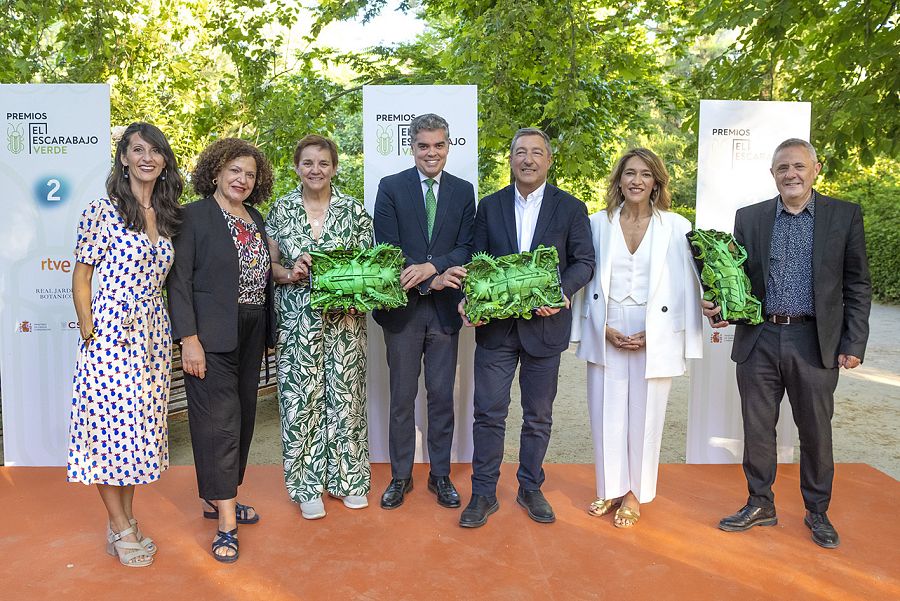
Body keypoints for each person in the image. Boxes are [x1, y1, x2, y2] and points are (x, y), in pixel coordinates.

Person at [705, 138, 871, 549]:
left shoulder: (844, 216)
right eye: (783, 168)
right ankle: (760, 503)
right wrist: (723, 306)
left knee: (815, 431)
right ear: (773, 174)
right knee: (758, 428)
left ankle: (818, 511)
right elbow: (738, 279)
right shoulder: (751, 217)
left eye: (799, 166)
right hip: (759, 336)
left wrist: (854, 340)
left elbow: (857, 284)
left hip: (815, 339)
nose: (791, 174)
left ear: (816, 169)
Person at [458, 127, 594, 528]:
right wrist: (471, 299)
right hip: (496, 331)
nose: (528, 159)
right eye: (520, 152)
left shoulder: (570, 208)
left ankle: (530, 487)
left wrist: (562, 292)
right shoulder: (491, 205)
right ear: (511, 159)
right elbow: (477, 261)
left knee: (538, 416)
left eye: (536, 152)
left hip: (546, 329)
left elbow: (584, 261)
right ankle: (483, 493)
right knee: (488, 414)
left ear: (549, 160)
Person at [68, 122, 183, 567]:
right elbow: (81, 275)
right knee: (107, 433)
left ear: (164, 160)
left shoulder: (169, 213)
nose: (147, 157)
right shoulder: (103, 210)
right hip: (111, 333)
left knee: (134, 434)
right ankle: (121, 527)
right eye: (139, 150)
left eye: (155, 150)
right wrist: (89, 329)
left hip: (152, 334)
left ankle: (125, 520)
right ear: (124, 158)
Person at [576, 148, 702, 528]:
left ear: (656, 182)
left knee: (646, 418)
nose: (636, 180)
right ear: (618, 180)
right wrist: (598, 329)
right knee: (605, 413)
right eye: (629, 173)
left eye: (645, 174)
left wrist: (661, 334)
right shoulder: (597, 223)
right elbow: (583, 280)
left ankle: (634, 493)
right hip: (608, 324)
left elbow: (688, 288)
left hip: (656, 329)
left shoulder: (677, 226)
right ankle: (610, 487)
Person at [167, 138, 276, 563]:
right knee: (220, 425)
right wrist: (188, 339)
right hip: (209, 334)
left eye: (250, 174)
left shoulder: (257, 220)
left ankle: (220, 497)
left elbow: (265, 274)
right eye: (234, 170)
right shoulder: (193, 217)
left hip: (250, 330)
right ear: (215, 172)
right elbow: (178, 282)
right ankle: (226, 523)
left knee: (245, 419)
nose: (242, 180)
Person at [266, 135, 373, 520]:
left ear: (335, 168)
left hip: (345, 321)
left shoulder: (355, 212)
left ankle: (349, 480)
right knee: (300, 400)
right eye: (308, 163)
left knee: (346, 399)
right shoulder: (280, 211)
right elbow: (271, 268)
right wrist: (290, 272)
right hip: (297, 321)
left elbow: (370, 272)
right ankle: (306, 486)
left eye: (323, 163)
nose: (316, 170)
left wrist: (342, 275)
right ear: (296, 167)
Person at [373, 113, 476, 511]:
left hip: (446, 314)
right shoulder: (391, 187)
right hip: (403, 312)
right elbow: (388, 246)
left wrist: (433, 269)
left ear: (448, 146)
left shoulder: (464, 191)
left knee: (440, 398)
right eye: (423, 145)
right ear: (411, 146)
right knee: (401, 397)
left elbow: (468, 245)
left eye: (438, 145)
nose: (431, 153)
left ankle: (440, 476)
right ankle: (400, 478)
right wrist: (426, 280)